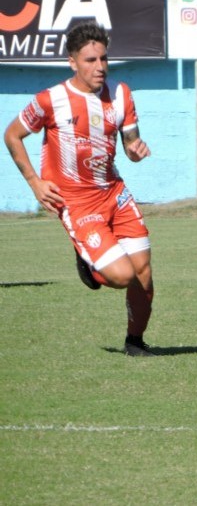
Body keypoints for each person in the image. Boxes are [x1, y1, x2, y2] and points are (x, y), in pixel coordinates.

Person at [4, 21, 157, 357]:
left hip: (114, 193)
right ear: (72, 62)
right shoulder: (50, 100)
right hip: (77, 203)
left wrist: (135, 150)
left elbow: (130, 144)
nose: (100, 66)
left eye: (103, 58)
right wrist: (34, 181)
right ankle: (89, 262)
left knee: (143, 272)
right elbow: (11, 134)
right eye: (90, 60)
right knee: (120, 276)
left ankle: (135, 342)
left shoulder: (121, 93)